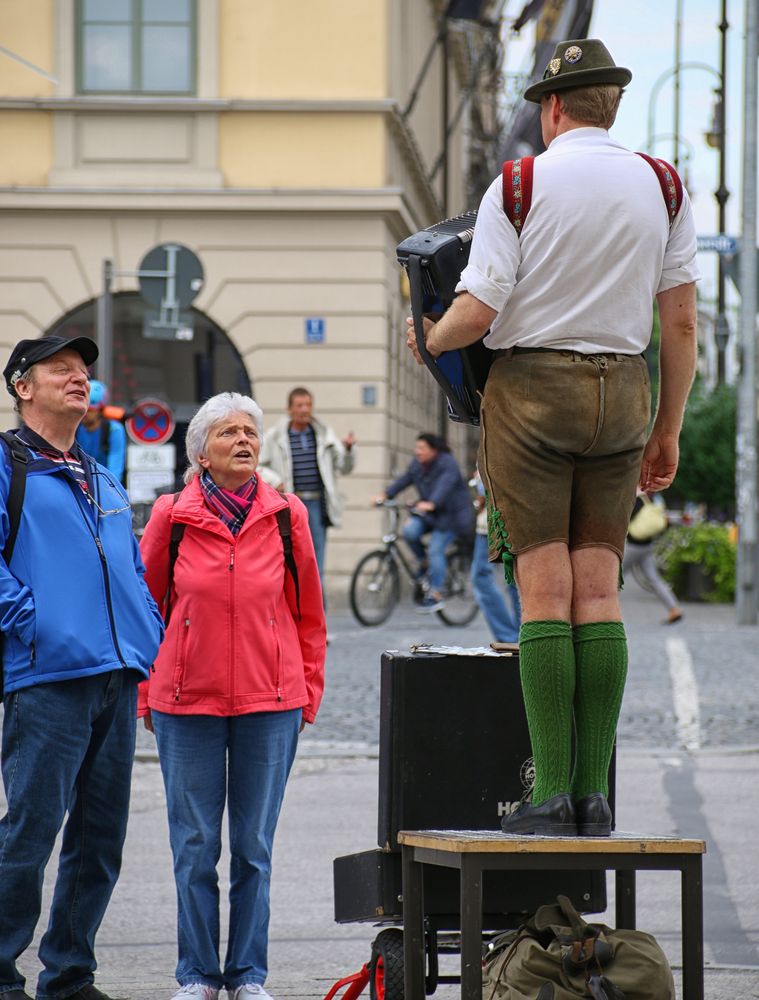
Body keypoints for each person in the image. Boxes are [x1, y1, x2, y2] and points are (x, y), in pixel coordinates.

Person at [406, 39, 698, 835]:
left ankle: (553, 792)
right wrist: (664, 426)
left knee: (543, 592)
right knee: (598, 594)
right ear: (611, 105)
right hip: (622, 390)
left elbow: (480, 309)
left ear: (553, 107)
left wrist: (430, 336)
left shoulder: (522, 181)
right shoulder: (664, 185)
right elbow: (677, 323)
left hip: (532, 391)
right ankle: (596, 796)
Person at [139, 392, 326, 1000]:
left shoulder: (285, 515)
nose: (243, 441)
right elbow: (147, 610)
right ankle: (196, 974)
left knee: (253, 850)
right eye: (227, 434)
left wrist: (307, 691)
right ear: (202, 452)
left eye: (249, 431)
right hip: (184, 701)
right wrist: (145, 692)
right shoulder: (172, 515)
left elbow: (308, 615)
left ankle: (247, 975)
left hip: (270, 702)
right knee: (194, 849)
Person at [0, 335, 164, 1000]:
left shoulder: (98, 475)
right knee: (31, 832)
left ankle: (70, 974)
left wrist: (146, 624)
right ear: (22, 386)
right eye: (61, 369)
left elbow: (127, 565)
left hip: (116, 674)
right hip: (48, 678)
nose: (80, 378)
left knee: (99, 840)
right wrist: (30, 618)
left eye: (84, 370)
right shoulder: (7, 465)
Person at [257, 387, 355, 583]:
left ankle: (319, 612)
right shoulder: (274, 436)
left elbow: (344, 467)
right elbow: (257, 465)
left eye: (308, 405)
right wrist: (275, 481)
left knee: (316, 563)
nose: (304, 410)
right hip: (289, 505)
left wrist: (348, 449)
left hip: (317, 506)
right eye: (299, 405)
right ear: (289, 409)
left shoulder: (324, 435)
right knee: (287, 559)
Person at [374, 433, 475, 612]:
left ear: (433, 450)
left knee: (436, 549)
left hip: (452, 516)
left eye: (422, 448)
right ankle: (424, 562)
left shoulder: (447, 463)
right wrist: (386, 494)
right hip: (431, 514)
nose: (417, 451)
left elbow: (445, 485)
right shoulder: (417, 464)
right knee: (410, 531)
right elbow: (404, 480)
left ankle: (436, 593)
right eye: (416, 448)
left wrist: (432, 502)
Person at [471, 470, 521, 643]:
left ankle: (510, 637)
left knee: (484, 577)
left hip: (496, 520)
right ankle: (519, 637)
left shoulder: (495, 445)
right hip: (507, 519)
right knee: (515, 579)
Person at [623, 490, 683, 624]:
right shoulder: (655, 501)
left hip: (634, 546)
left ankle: (604, 612)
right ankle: (674, 609)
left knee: (613, 577)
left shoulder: (638, 501)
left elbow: (626, 520)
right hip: (647, 546)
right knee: (654, 579)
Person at [74, 379, 127, 482]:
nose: (85, 414)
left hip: (105, 484)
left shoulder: (114, 430)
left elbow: (115, 467)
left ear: (100, 410)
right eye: (82, 409)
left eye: (90, 411)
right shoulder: (74, 428)